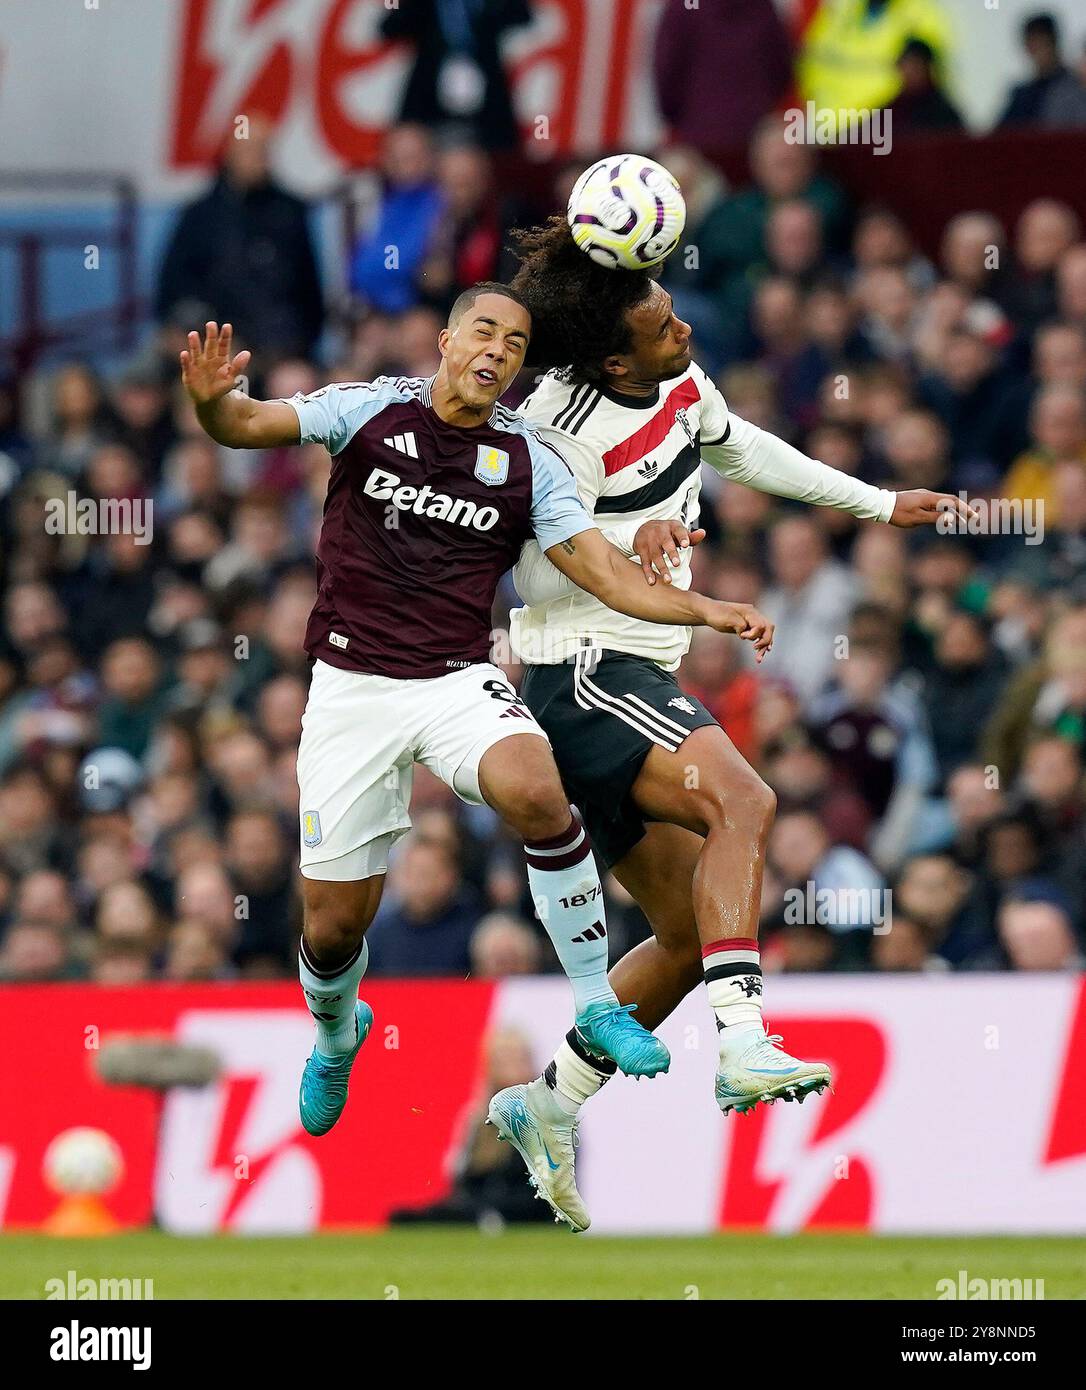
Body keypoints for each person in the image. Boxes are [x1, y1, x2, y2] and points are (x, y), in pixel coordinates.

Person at [178, 286, 774, 1140]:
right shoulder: (368, 410)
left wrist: (706, 608)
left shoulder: (530, 458)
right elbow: (249, 425)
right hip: (351, 689)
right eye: (484, 331)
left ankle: (598, 1000)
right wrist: (211, 404)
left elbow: (604, 572)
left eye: (516, 341)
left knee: (538, 791)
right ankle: (337, 1036)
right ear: (448, 340)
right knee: (335, 924)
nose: (497, 349)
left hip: (458, 677)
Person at [485, 215, 970, 1231]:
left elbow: (746, 451)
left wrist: (879, 505)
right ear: (615, 353)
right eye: (664, 327)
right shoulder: (553, 427)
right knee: (746, 795)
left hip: (630, 672)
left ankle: (547, 1104)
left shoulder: (681, 388)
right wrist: (627, 535)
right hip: (583, 670)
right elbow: (527, 556)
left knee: (675, 931)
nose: (685, 333)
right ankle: (744, 1036)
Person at [157, 116, 323, 360]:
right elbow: (173, 288)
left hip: (275, 345)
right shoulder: (199, 216)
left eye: (262, 150)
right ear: (229, 153)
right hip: (207, 338)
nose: (256, 158)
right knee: (142, 388)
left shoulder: (290, 213)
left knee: (290, 381)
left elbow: (308, 296)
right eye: (248, 149)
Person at [997, 12, 1086, 130]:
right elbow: (1000, 135)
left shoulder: (1074, 88)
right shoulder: (1022, 95)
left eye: (1040, 42)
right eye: (1031, 43)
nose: (1035, 50)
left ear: (1053, 42)